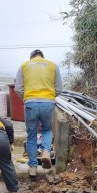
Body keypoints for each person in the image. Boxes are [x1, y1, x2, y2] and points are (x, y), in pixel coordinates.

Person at [14, 49, 62, 177]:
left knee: (31, 135)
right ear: (42, 57)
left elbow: (18, 88)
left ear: (32, 58)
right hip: (48, 103)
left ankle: (33, 167)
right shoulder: (52, 65)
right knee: (46, 130)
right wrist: (49, 97)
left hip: (30, 104)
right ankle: (46, 151)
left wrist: (27, 98)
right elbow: (59, 89)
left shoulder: (24, 66)